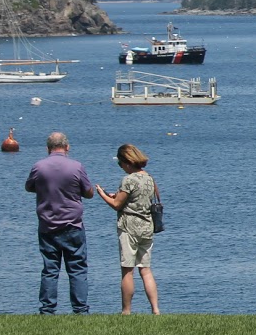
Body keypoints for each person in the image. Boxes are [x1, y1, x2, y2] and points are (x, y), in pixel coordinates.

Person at [25, 131, 93, 314]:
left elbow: (29, 187)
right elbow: (89, 192)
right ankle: (80, 310)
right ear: (67, 147)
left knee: (50, 269)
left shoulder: (39, 167)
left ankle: (47, 310)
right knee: (77, 269)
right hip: (73, 225)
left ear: (48, 148)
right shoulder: (76, 167)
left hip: (47, 225)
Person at [95, 143, 160, 314]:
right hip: (147, 227)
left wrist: (102, 194)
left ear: (128, 162)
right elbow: (139, 199)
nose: (121, 167)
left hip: (129, 227)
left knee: (127, 271)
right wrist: (117, 195)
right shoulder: (149, 178)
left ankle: (126, 310)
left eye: (121, 163)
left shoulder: (128, 180)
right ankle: (155, 309)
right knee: (145, 270)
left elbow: (117, 205)